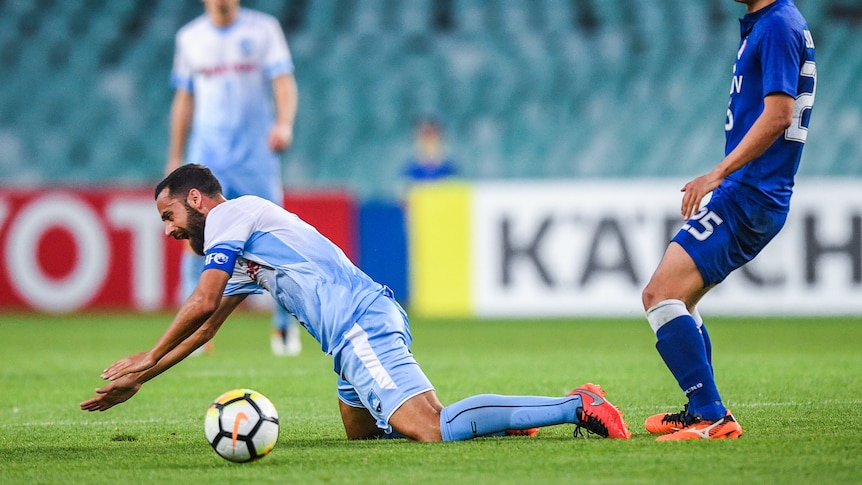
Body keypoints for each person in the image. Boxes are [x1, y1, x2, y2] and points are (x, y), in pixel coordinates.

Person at [80, 164, 631, 442]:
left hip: (360, 325)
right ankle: (503, 421)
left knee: (430, 428)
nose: (170, 230)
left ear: (196, 200)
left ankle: (575, 404)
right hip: (350, 340)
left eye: (169, 217)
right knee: (363, 436)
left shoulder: (230, 216)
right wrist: (141, 378)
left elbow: (200, 302)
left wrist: (146, 356)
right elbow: (205, 330)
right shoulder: (245, 252)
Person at [641, 0, 815, 441]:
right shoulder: (772, 23)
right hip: (752, 191)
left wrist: (717, 173)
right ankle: (702, 408)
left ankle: (711, 415)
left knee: (660, 294)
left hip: (750, 192)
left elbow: (779, 114)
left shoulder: (777, 25)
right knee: (680, 299)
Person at [166, 0, 301, 356]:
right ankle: (192, 331)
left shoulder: (263, 29)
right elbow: (184, 99)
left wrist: (284, 124)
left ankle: (284, 326)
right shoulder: (190, 37)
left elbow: (284, 82)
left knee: (273, 236)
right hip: (208, 155)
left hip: (256, 155)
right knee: (194, 236)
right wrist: (175, 156)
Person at [401, 117, 458, 183]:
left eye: (432, 137)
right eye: (424, 137)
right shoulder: (409, 173)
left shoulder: (450, 171)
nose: (428, 143)